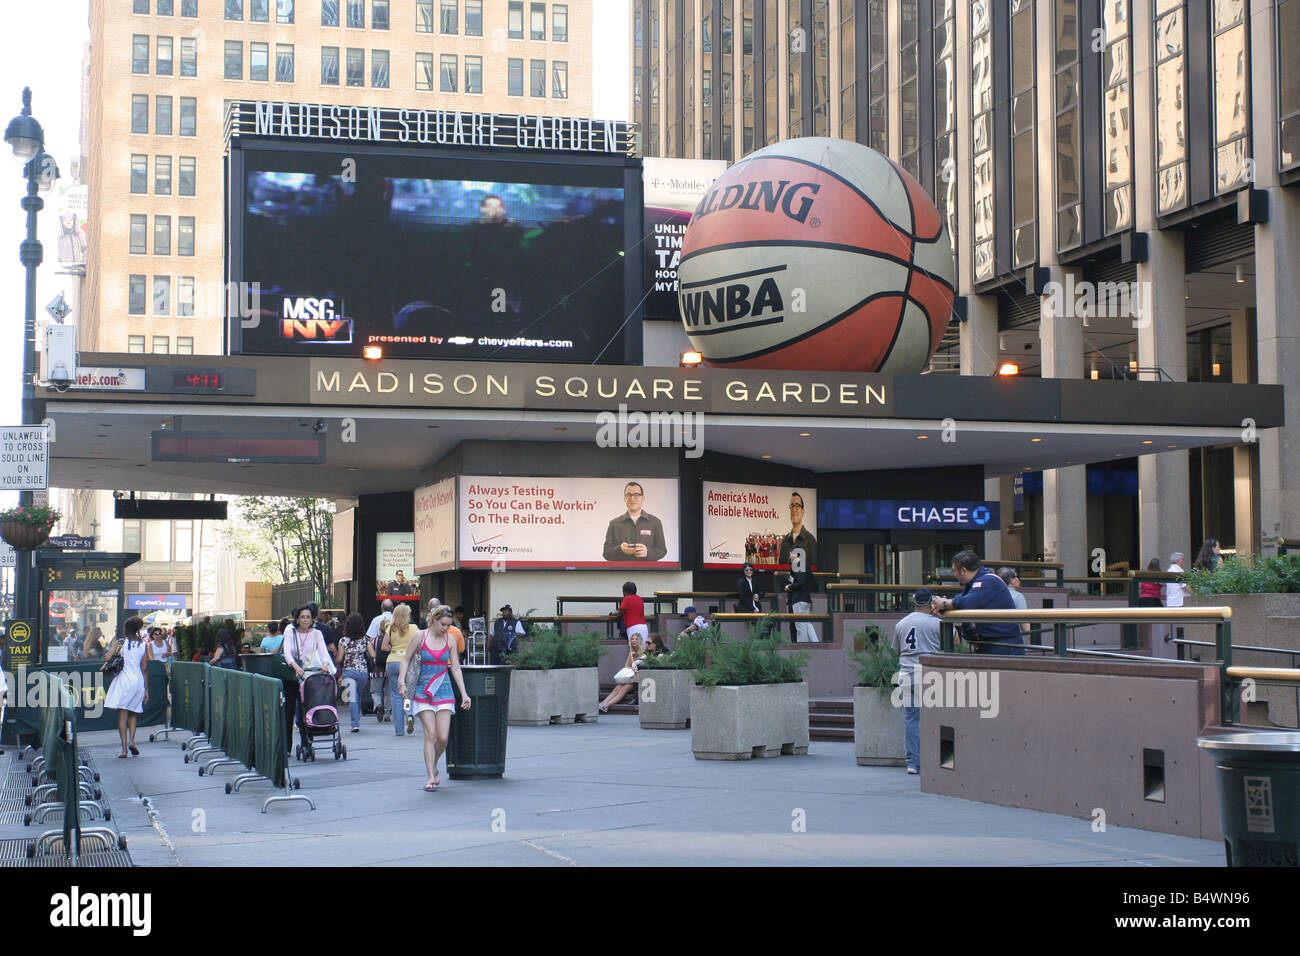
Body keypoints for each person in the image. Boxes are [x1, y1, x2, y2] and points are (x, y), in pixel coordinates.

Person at [398, 604, 472, 791]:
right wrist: (401, 681)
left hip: (444, 689)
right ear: (433, 621)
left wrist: (464, 693)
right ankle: (430, 776)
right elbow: (406, 658)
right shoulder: (419, 636)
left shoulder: (451, 640)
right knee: (430, 734)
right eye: (443, 624)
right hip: (423, 690)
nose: (446, 629)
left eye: (448, 625)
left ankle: (434, 764)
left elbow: (455, 667)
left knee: (443, 737)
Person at [891, 589, 943, 775]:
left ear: (914, 602)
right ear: (931, 603)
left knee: (911, 719)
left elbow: (898, 651)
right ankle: (938, 760)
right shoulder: (937, 623)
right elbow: (956, 639)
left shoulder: (901, 624)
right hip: (931, 675)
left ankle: (913, 763)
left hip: (907, 673)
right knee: (937, 718)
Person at [931, 551, 1023, 655]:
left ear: (963, 570)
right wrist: (944, 604)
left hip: (1002, 646)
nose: (954, 575)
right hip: (989, 645)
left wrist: (943, 603)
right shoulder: (974, 583)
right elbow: (961, 601)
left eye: (954, 571)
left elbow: (967, 603)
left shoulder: (988, 580)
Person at [282, 606, 337, 752]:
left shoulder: (317, 633)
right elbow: (286, 652)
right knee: (289, 710)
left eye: (308, 617)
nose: (305, 620)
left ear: (312, 619)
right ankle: (287, 746)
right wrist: (295, 667)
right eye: (302, 617)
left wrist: (325, 664)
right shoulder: (290, 633)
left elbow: (323, 651)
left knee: (305, 709)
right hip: (292, 675)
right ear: (297, 619)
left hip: (309, 676)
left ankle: (306, 743)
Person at [102, 617, 151, 758]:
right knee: (133, 713)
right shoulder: (143, 645)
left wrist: (114, 648)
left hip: (123, 681)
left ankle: (124, 750)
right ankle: (132, 741)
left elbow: (106, 658)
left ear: (126, 629)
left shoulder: (121, 643)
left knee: (122, 715)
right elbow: (145, 668)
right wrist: (146, 690)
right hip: (137, 682)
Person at [602, 481, 668, 562]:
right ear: (624, 498)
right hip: (622, 573)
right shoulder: (614, 524)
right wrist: (620, 549)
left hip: (647, 573)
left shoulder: (655, 522)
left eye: (636, 495)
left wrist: (648, 553)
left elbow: (662, 550)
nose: (632, 498)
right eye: (628, 495)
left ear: (642, 498)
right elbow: (606, 553)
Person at [380, 602, 420, 736]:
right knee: (408, 692)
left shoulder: (390, 628)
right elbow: (420, 646)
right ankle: (409, 714)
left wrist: (395, 650)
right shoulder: (414, 628)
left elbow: (384, 646)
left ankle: (398, 730)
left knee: (396, 695)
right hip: (408, 663)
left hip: (392, 662)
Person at [336, 612, 371, 733]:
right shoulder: (366, 639)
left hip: (348, 672)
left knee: (352, 697)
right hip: (362, 672)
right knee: (358, 695)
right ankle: (357, 720)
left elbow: (339, 659)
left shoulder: (343, 641)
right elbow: (373, 654)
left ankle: (355, 724)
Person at [598, 634, 647, 714]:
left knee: (623, 689)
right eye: (632, 639)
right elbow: (626, 667)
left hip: (637, 679)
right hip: (629, 677)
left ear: (640, 641)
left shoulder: (644, 653)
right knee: (617, 688)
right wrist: (631, 657)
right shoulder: (631, 653)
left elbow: (638, 667)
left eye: (636, 639)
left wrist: (634, 660)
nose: (634, 641)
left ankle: (607, 705)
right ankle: (602, 703)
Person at [784, 548, 818, 643]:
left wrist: (789, 587)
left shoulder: (800, 564)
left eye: (790, 553)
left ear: (795, 554)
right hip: (805, 598)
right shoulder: (800, 565)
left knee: (800, 625)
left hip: (799, 599)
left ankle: (802, 647)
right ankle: (816, 643)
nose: (789, 556)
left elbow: (800, 582)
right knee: (806, 622)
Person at [777, 493, 818, 569]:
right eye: (792, 506)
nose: (793, 509)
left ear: (803, 512)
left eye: (797, 506)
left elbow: (814, 573)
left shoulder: (811, 541)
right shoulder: (785, 541)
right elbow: (780, 571)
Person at [1165, 552, 1192, 647]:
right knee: (1181, 625)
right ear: (1179, 560)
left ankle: (1175, 638)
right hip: (1180, 600)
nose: (1184, 561)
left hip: (1171, 601)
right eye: (1183, 559)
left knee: (1175, 624)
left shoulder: (1169, 570)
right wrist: (1194, 593)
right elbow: (1184, 586)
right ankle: (1180, 640)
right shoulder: (1178, 571)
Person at [610, 581, 648, 649]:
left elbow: (621, 612)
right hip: (643, 627)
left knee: (635, 651)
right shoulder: (639, 598)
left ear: (626, 591)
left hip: (633, 627)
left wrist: (613, 614)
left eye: (623, 591)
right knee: (643, 649)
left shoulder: (627, 599)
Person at [996, 567, 1032, 638]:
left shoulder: (992, 594)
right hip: (1014, 642)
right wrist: (1033, 640)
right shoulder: (1018, 596)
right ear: (1011, 580)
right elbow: (1024, 623)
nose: (1018, 579)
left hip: (994, 641)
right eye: (1016, 576)